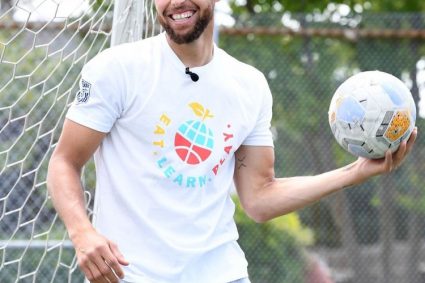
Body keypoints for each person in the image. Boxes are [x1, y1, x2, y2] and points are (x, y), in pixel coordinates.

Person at [46, 0, 418, 281]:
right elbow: (65, 161)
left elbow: (259, 198)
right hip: (132, 273)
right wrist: (82, 232)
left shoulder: (249, 84)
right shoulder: (115, 70)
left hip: (222, 272)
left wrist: (355, 171)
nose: (176, 3)